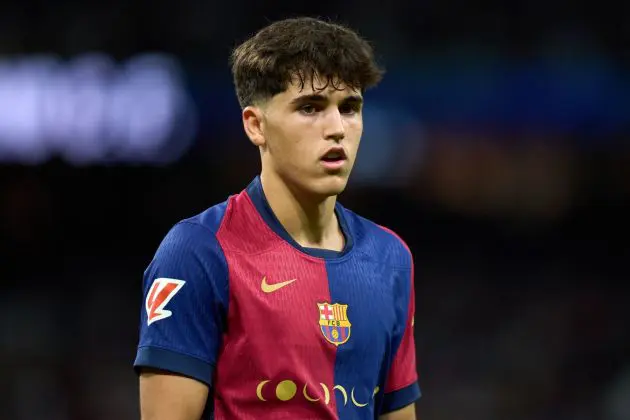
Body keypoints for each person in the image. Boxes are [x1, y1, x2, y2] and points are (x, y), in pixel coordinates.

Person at [134, 17, 420, 420]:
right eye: (310, 108)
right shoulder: (198, 252)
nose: (337, 128)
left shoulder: (391, 257)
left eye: (350, 108)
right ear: (256, 125)